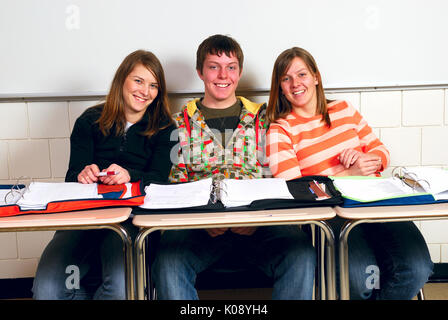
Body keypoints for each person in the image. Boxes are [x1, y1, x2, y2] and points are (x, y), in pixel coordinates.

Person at [151, 35, 316, 300]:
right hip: (198, 228)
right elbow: (175, 183)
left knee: (300, 253)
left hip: (259, 226)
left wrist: (256, 218)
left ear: (240, 73)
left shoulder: (265, 118)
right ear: (200, 72)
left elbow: (276, 174)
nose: (222, 75)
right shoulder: (178, 123)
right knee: (168, 262)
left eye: (231, 67)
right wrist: (202, 220)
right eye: (214, 66)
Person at [266, 46, 433, 299]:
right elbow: (294, 188)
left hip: (376, 202)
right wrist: (348, 174)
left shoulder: (344, 109)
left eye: (301, 75)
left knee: (416, 269)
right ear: (280, 87)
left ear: (316, 77)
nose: (295, 83)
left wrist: (369, 160)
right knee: (359, 282)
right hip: (332, 218)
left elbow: (381, 152)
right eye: (286, 79)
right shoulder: (280, 129)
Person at [32, 50, 176, 299]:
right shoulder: (89, 121)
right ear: (122, 80)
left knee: (121, 288)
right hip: (84, 218)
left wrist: (129, 175)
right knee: (48, 288)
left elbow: (161, 180)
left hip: (131, 222)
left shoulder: (165, 128)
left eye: (153, 85)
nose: (145, 91)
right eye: (138, 81)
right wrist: (83, 173)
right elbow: (72, 176)